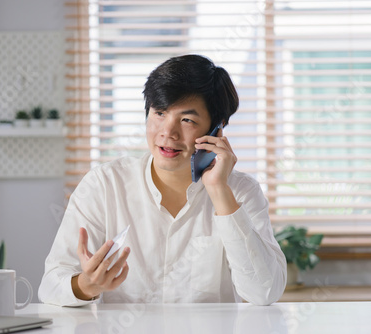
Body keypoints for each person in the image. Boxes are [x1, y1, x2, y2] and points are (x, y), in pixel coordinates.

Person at [38, 55, 287, 306]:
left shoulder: (241, 192)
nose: (168, 132)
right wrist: (85, 285)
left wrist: (219, 191)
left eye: (187, 120)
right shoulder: (104, 184)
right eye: (159, 113)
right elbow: (50, 286)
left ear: (216, 130)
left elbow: (264, 292)